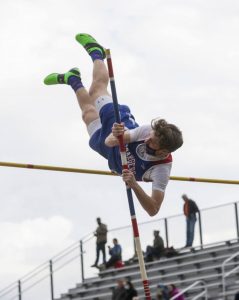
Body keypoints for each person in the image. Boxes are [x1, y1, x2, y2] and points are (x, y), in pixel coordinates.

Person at [44, 33, 183, 217]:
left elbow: (153, 209)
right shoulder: (147, 131)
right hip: (119, 126)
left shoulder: (161, 170)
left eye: (153, 142)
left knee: (87, 114)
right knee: (96, 91)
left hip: (111, 156)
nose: (148, 138)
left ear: (163, 152)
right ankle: (96, 52)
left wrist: (134, 185)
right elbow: (111, 141)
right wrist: (116, 134)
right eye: (151, 135)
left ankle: (72, 79)